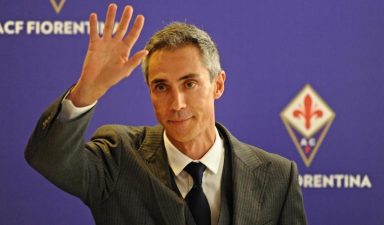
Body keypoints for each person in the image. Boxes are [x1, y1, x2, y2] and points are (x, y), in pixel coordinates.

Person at [25, 3, 307, 225]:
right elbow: (48, 158)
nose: (177, 103)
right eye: (161, 87)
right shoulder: (118, 156)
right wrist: (87, 90)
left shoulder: (277, 176)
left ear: (218, 85)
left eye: (190, 83)